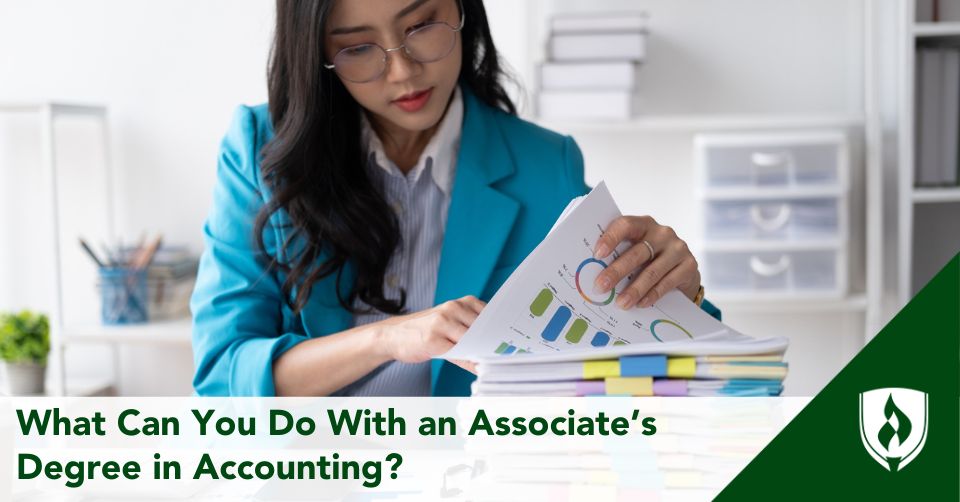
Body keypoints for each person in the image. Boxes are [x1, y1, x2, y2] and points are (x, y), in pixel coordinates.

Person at [190, 0, 720, 397]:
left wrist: (682, 291)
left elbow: (651, 361)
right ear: (319, 54)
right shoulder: (259, 150)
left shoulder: (544, 165)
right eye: (356, 48)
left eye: (421, 26)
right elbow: (222, 377)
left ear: (463, 11)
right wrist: (389, 339)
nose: (401, 71)